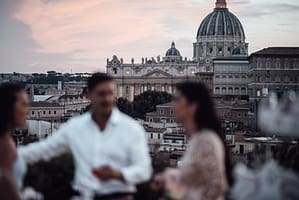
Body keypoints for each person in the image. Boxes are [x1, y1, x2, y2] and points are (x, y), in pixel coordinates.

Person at [18, 73, 152, 200]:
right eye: (101, 94)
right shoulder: (75, 126)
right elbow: (44, 150)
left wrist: (119, 174)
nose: (106, 99)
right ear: (88, 95)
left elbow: (144, 170)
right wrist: (11, 156)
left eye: (110, 93)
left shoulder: (131, 128)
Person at [153, 82, 232, 200]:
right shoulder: (197, 138)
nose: (172, 105)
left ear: (193, 106)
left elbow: (218, 185)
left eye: (177, 100)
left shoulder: (206, 140)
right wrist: (166, 178)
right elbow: (194, 178)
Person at [0, 83, 30, 200]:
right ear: (9, 106)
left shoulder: (7, 139)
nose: (28, 111)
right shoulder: (4, 144)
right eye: (23, 104)